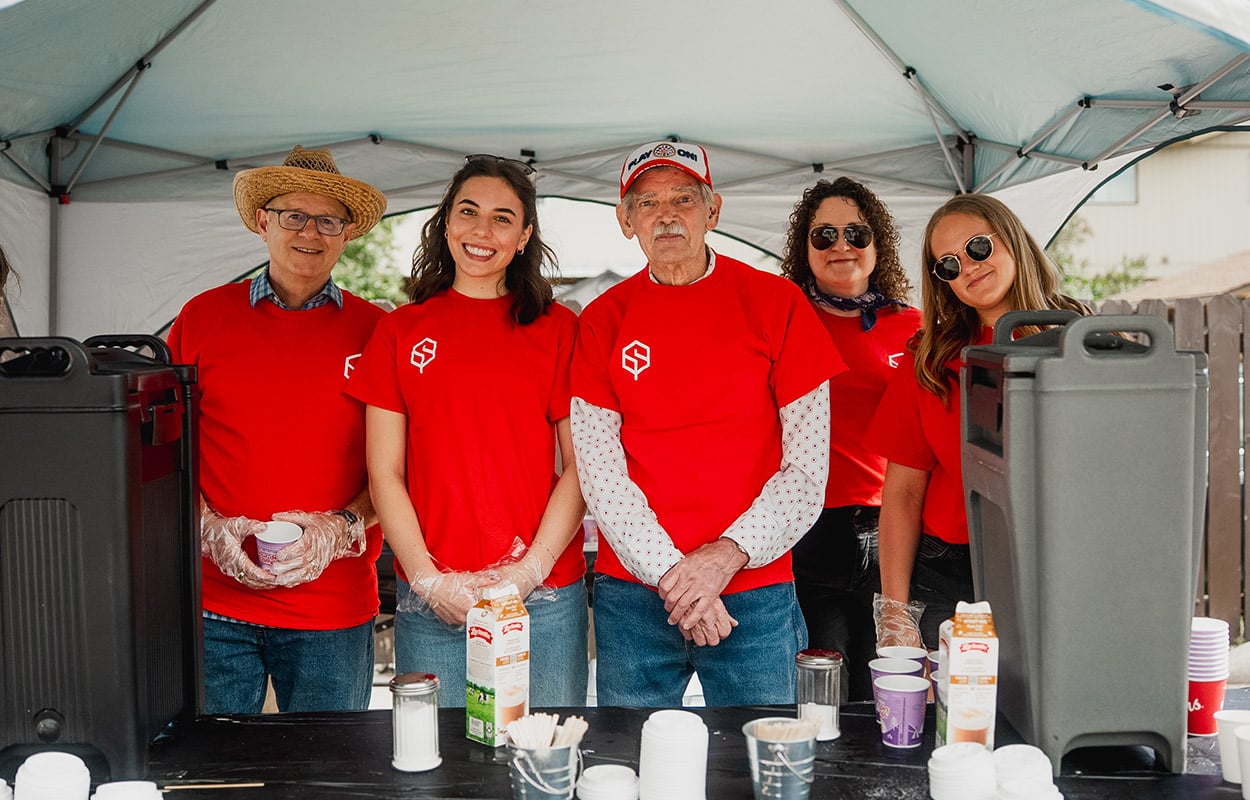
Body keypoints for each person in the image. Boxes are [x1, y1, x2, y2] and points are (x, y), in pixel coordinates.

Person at [571, 141, 845, 707]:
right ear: (626, 221)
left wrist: (722, 559)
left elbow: (806, 468)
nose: (666, 214)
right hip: (636, 595)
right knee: (632, 767)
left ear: (712, 210)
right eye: (646, 203)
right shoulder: (602, 320)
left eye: (683, 199)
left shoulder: (778, 303)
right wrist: (682, 578)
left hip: (755, 591)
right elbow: (601, 473)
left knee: (767, 769)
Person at [346, 154, 588, 708]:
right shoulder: (399, 332)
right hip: (435, 598)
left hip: (543, 596)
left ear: (524, 235)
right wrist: (429, 581)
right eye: (469, 212)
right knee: (444, 776)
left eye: (503, 218)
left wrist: (529, 571)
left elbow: (580, 466)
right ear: (446, 223)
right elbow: (385, 472)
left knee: (542, 763)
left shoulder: (557, 329)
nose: (483, 231)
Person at [167, 145, 388, 713]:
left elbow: (404, 466)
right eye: (293, 215)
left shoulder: (379, 332)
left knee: (328, 778)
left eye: (327, 220)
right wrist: (204, 526)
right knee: (215, 774)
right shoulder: (202, 317)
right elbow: (162, 446)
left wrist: (341, 527)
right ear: (263, 222)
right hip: (214, 601)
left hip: (333, 607)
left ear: (346, 235)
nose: (309, 233)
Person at [867, 193, 1089, 651]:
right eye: (947, 265)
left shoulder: (1085, 342)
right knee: (950, 720)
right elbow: (903, 493)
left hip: (1060, 563)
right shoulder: (928, 359)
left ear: (1011, 240)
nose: (967, 267)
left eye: (978, 248)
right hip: (950, 576)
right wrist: (894, 611)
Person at [779, 177, 921, 701]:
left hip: (895, 526)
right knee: (821, 688)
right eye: (824, 236)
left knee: (889, 678)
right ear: (805, 250)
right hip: (807, 527)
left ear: (877, 245)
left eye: (856, 233)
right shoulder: (784, 320)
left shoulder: (915, 327)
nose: (842, 245)